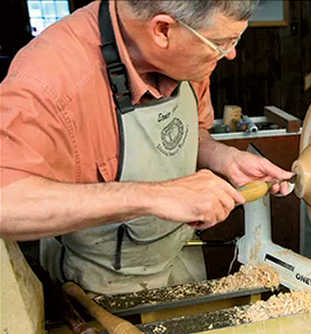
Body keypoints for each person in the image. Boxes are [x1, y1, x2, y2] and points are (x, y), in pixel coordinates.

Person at [0, 0, 293, 294]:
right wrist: (154, 196)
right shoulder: (49, 78)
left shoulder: (190, 51)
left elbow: (192, 131)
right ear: (163, 30)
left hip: (179, 257)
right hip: (95, 282)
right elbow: (7, 203)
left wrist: (223, 157)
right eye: (220, 42)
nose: (231, 54)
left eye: (235, 39)